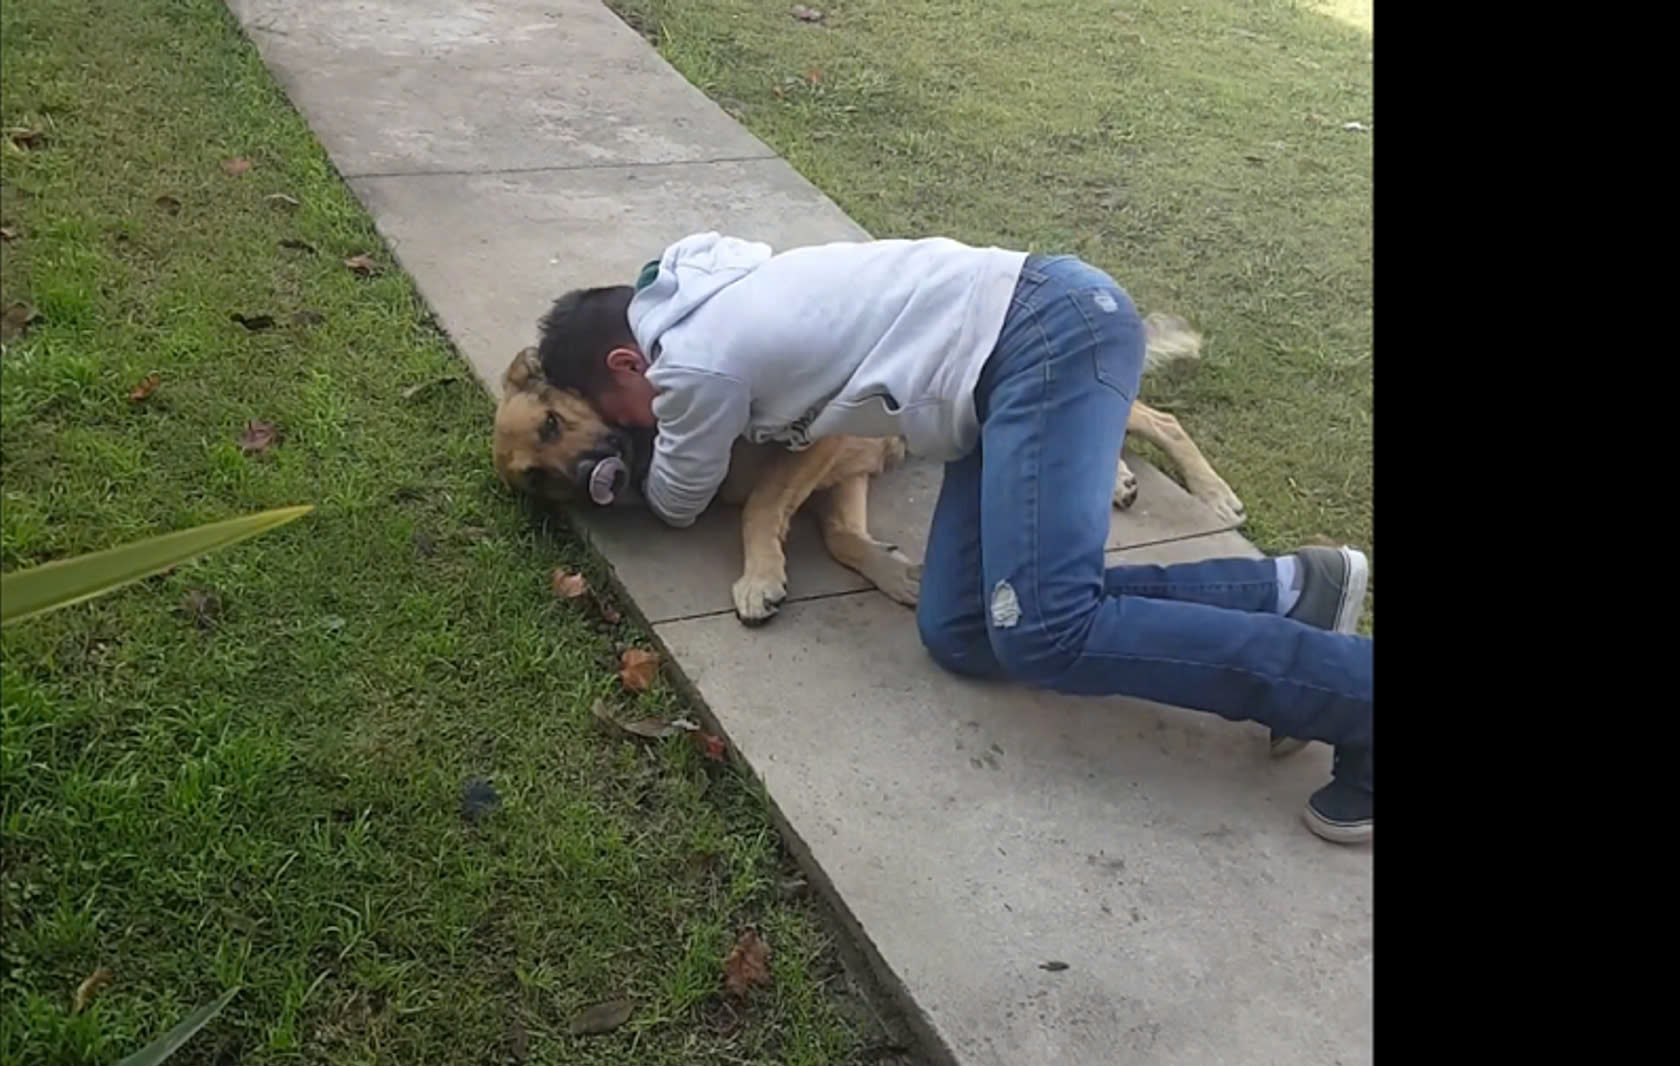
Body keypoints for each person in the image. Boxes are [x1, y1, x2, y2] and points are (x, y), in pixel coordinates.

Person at [535, 233, 1372, 843]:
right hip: (1004, 374)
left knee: (1044, 628)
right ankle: (1294, 591)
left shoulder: (693, 360)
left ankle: (1353, 696)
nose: (636, 433)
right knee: (966, 627)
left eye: (621, 422)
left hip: (1050, 342)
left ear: (625, 366)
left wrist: (622, 475)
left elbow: (681, 496)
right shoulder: (696, 287)